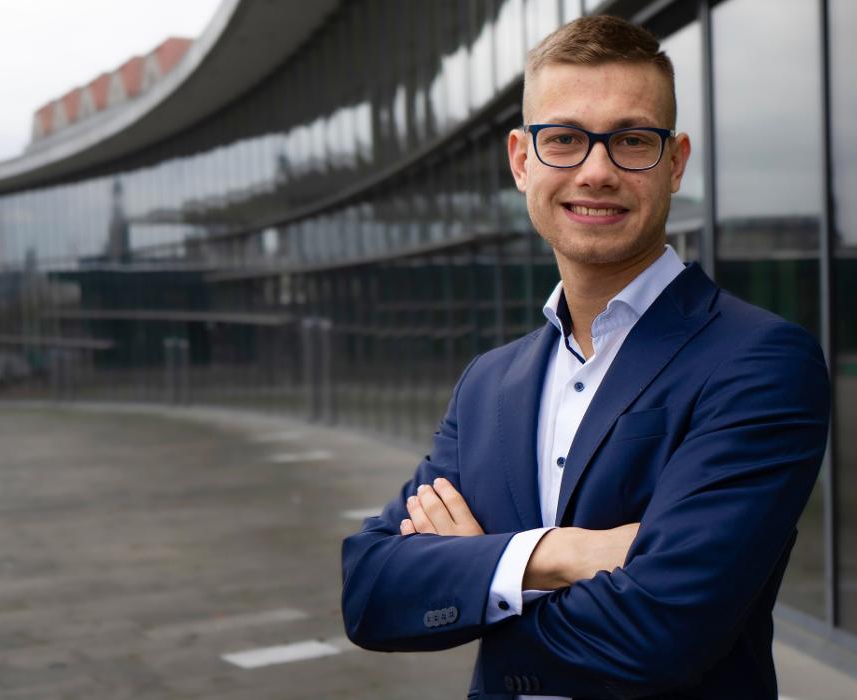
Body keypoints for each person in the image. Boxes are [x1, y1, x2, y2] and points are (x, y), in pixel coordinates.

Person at [342, 15, 830, 700]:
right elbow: (368, 592)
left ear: (674, 161)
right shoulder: (488, 384)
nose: (595, 171)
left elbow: (659, 634)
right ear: (520, 160)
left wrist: (476, 570)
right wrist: (562, 554)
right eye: (564, 139)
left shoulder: (759, 361)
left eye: (630, 140)